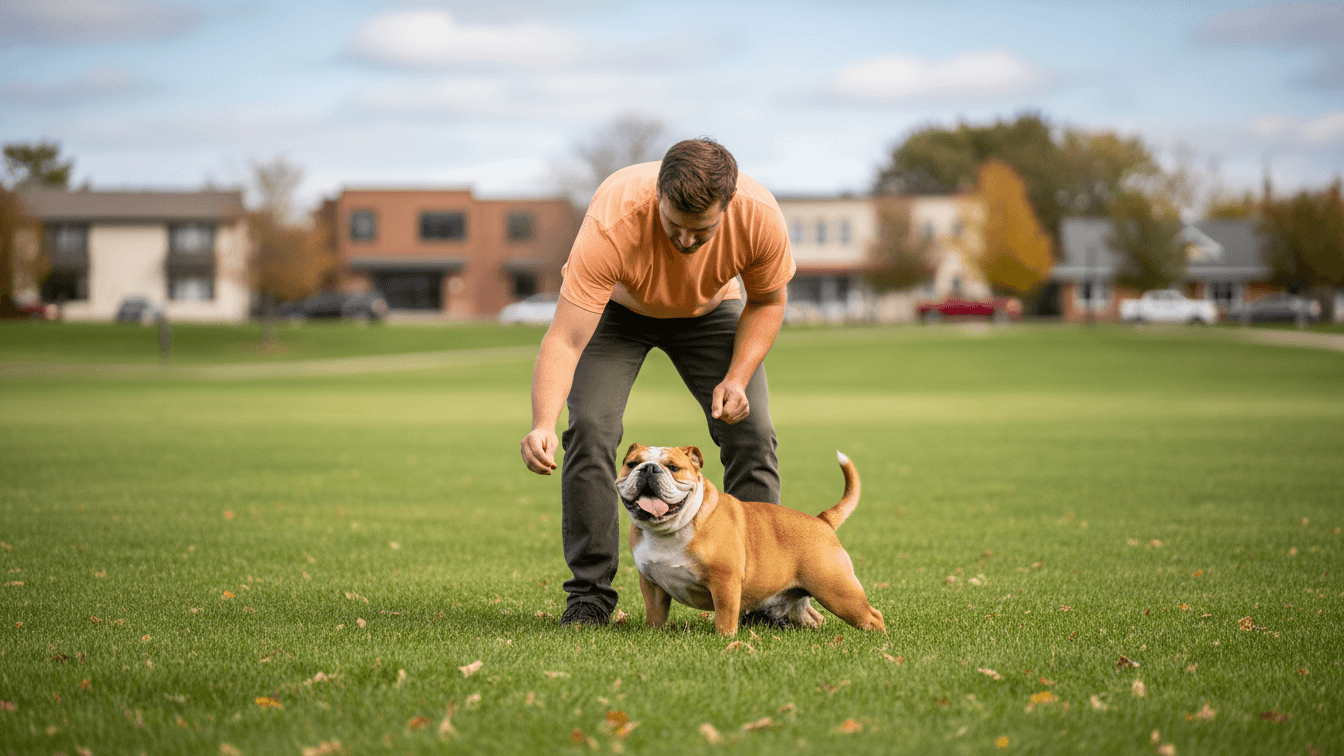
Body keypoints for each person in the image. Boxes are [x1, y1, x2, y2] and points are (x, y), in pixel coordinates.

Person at [519, 138, 795, 626]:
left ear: (727, 207)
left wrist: (737, 376)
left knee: (751, 431)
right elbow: (564, 339)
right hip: (620, 311)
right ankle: (589, 596)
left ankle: (760, 596)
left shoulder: (758, 216)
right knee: (591, 428)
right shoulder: (613, 219)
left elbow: (768, 302)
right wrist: (542, 422)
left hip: (711, 310)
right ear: (657, 197)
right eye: (675, 226)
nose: (686, 242)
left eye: (701, 230)